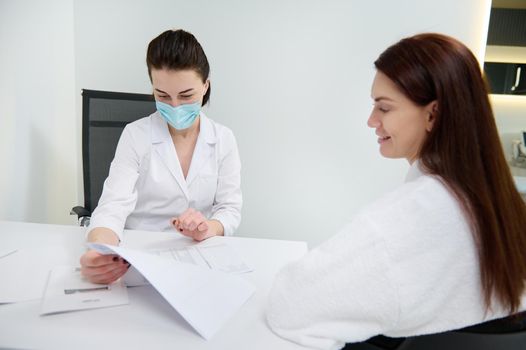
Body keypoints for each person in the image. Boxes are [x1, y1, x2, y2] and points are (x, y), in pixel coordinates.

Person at [266, 33, 526, 350]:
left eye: (384, 108)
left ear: (433, 114)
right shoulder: (497, 198)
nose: (371, 120)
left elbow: (290, 305)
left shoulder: (415, 214)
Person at [80, 29, 242, 284]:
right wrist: (98, 251)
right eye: (163, 96)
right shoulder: (135, 135)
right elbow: (112, 207)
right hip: (140, 256)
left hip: (197, 257)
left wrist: (206, 229)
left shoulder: (223, 139)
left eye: (186, 95)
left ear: (205, 86)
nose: (175, 106)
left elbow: (229, 208)